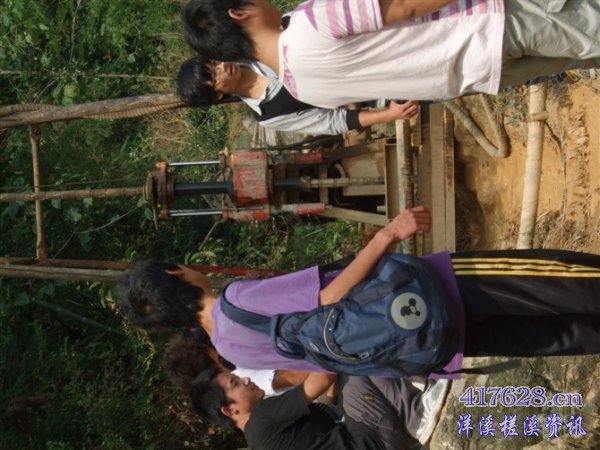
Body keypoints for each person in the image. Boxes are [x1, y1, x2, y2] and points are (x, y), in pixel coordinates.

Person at [116, 206, 600, 377]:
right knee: (555, 281)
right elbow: (327, 298)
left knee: (553, 336)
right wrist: (388, 234)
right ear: (176, 274)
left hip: (424, 344)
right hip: (430, 293)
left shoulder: (232, 351)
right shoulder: (236, 301)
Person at [181, 0, 600, 108]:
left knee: (582, 53)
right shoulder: (309, 22)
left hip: (481, 73)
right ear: (239, 13)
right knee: (588, 26)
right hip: (490, 24)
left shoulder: (302, 89)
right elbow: (404, 7)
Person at [191, 365, 449, 449]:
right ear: (230, 410)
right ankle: (418, 417)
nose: (246, 379)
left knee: (344, 379)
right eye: (236, 383)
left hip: (368, 440)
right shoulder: (260, 418)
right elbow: (322, 378)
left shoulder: (258, 438)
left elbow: (327, 403)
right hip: (372, 443)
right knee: (350, 368)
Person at [176, 55, 420, 135]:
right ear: (218, 96)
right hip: (387, 92)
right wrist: (390, 114)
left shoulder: (259, 49)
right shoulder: (269, 115)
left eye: (214, 62)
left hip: (382, 54)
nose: (222, 66)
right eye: (214, 75)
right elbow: (332, 122)